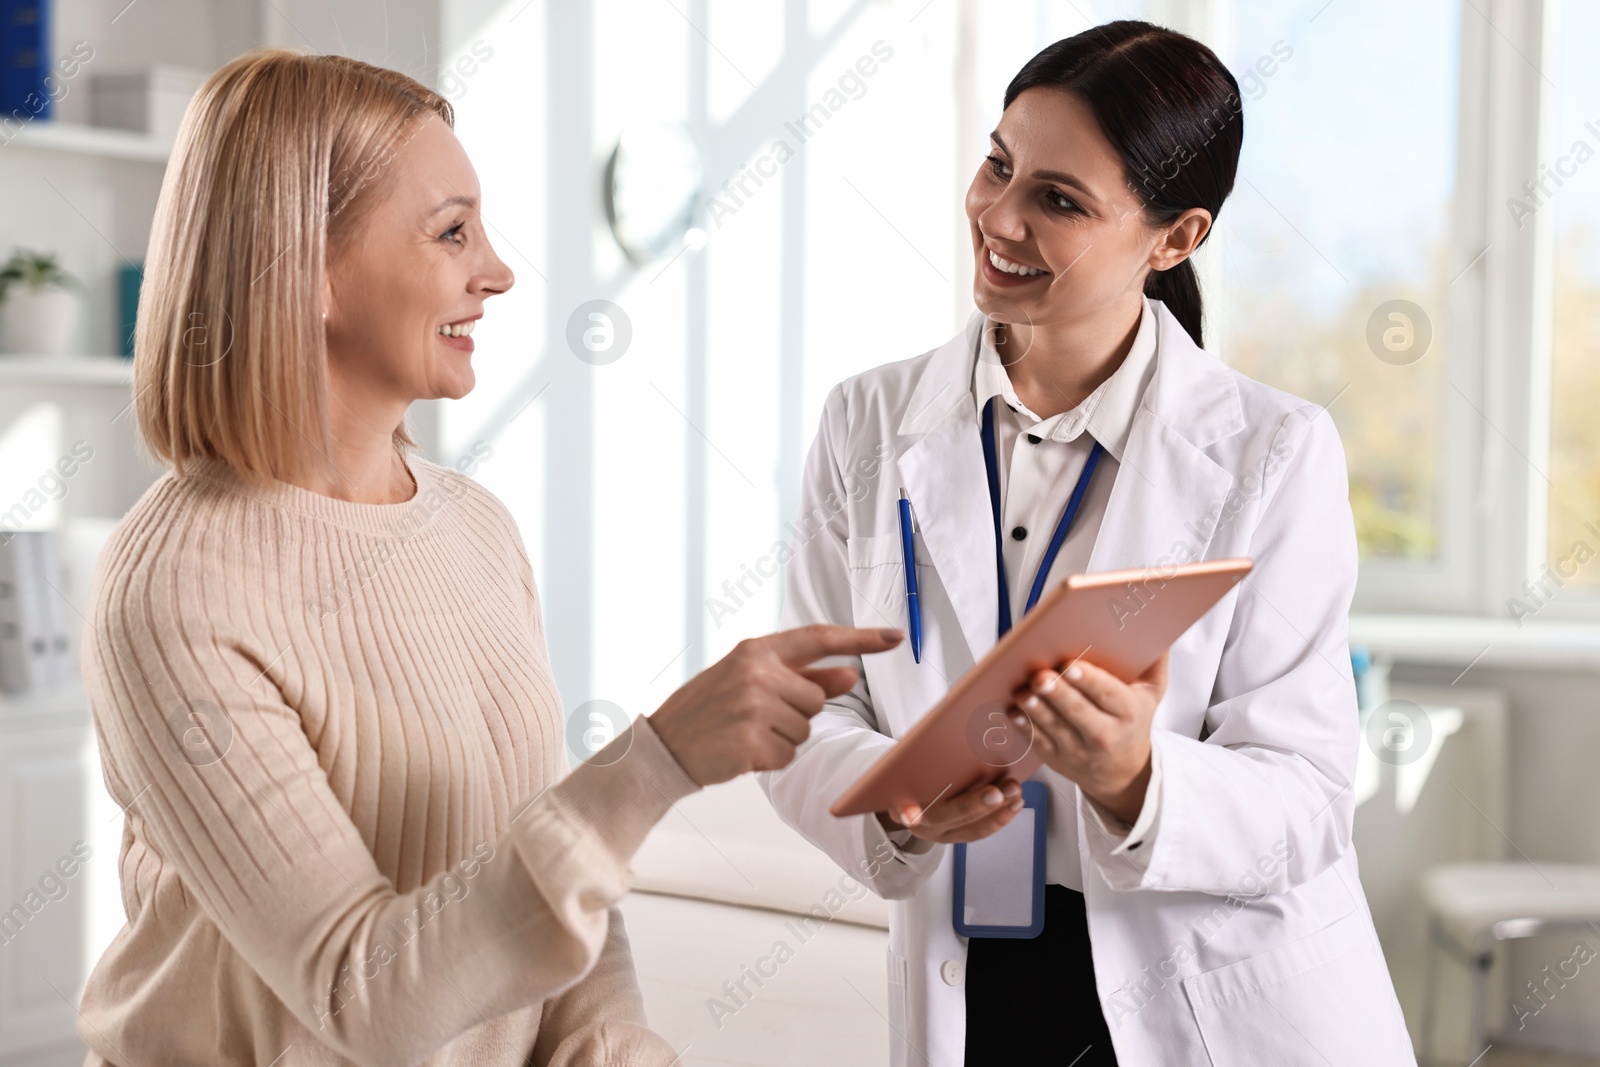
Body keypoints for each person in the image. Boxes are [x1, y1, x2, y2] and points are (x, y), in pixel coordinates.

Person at [76, 48, 901, 1067]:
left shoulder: (472, 525)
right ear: (308, 268)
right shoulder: (176, 587)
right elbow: (364, 996)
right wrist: (658, 761)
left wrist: (614, 1043)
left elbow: (542, 874)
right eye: (450, 230)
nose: (498, 270)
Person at [760, 20, 1415, 1066]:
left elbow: (1306, 801)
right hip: (970, 974)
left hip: (1204, 993)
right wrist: (899, 796)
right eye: (997, 164)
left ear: (1174, 238)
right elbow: (808, 704)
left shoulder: (1273, 450)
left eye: (1057, 200)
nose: (998, 217)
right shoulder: (867, 421)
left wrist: (1133, 775)